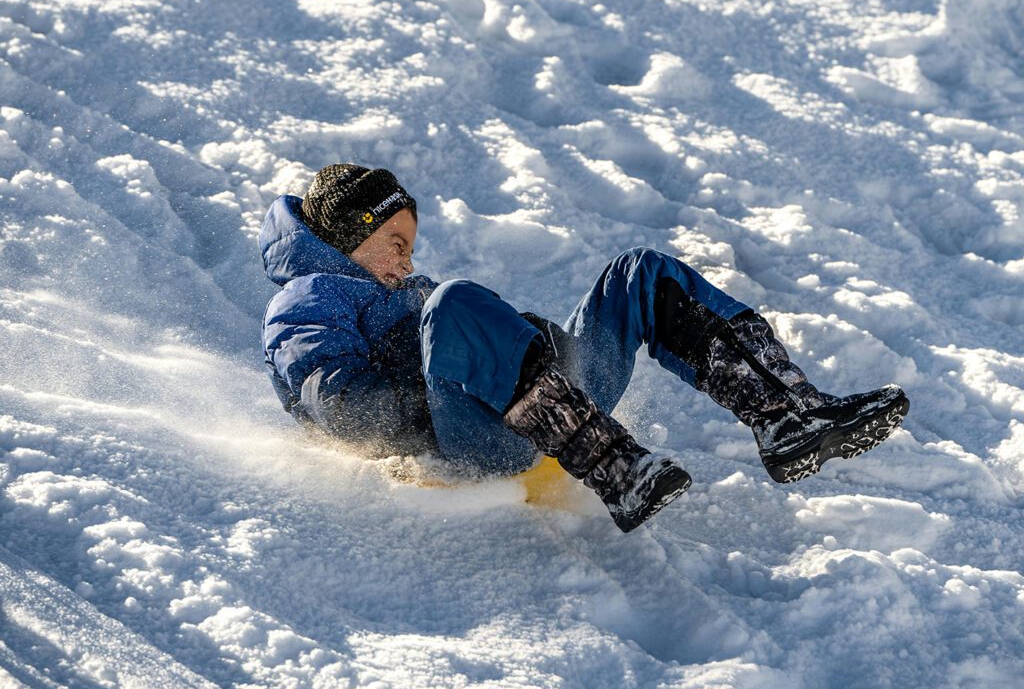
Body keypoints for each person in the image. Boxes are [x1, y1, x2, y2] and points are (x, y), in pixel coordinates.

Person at [259, 164, 909, 532]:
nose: (406, 260)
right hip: (471, 433)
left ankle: (787, 416)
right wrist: (429, 398)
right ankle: (614, 468)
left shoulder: (407, 289)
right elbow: (339, 408)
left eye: (410, 244)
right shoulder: (308, 301)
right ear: (348, 236)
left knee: (639, 274)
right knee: (457, 305)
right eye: (395, 242)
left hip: (548, 401)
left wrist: (529, 341)